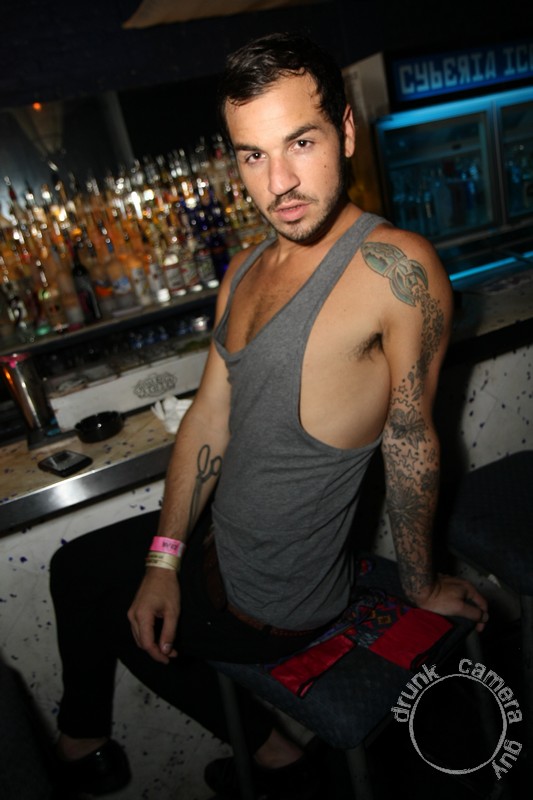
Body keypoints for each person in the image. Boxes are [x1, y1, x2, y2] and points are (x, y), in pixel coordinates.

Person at [50, 31, 489, 799]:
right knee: (89, 571)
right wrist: (163, 561)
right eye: (252, 154)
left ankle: (134, 747)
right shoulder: (247, 269)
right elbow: (207, 420)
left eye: (300, 143)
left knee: (91, 589)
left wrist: (419, 585)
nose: (277, 182)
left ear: (345, 132)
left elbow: (411, 438)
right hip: (218, 545)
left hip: (272, 598)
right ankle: (264, 750)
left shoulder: (395, 268)